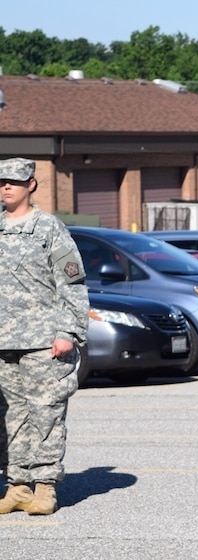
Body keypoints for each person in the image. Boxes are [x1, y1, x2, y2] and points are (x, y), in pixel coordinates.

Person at [0, 157, 88, 517]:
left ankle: (45, 487)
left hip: (43, 341)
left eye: (14, 182)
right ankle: (18, 485)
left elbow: (72, 284)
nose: (6, 187)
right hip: (4, 342)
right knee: (11, 416)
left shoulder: (48, 228)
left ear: (31, 185)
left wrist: (68, 331)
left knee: (46, 413)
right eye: (2, 181)